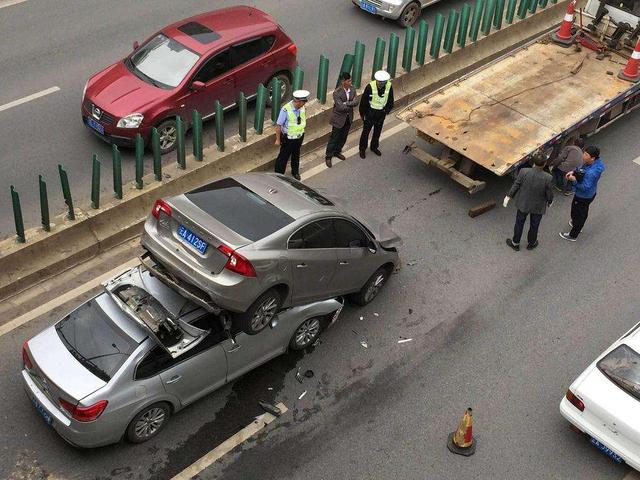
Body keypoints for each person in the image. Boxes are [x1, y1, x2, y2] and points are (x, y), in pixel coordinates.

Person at [503, 155, 554, 251]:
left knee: (519, 223)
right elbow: (549, 193)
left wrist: (508, 196)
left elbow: (516, 185)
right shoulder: (548, 177)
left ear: (533, 163)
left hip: (523, 203)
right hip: (538, 206)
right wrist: (550, 202)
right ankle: (532, 243)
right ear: (544, 164)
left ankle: (515, 243)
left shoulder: (524, 171)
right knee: (534, 225)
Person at [559, 145, 605, 241]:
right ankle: (577, 224)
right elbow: (582, 169)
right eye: (584, 153)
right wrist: (574, 172)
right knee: (583, 212)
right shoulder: (595, 163)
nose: (583, 156)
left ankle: (573, 234)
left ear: (592, 158)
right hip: (590, 194)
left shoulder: (591, 173)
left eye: (586, 154)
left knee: (578, 213)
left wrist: (573, 179)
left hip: (582, 196)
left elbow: (584, 187)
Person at [325, 72, 359, 168]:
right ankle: (328, 156)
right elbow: (340, 107)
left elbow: (356, 101)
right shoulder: (337, 92)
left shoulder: (352, 89)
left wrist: (346, 103)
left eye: (350, 80)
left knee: (343, 137)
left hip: (348, 118)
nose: (350, 82)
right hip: (338, 119)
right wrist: (350, 104)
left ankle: (337, 151)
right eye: (348, 81)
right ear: (343, 81)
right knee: (334, 137)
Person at [274, 90, 309, 180]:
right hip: (288, 139)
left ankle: (295, 172)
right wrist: (278, 139)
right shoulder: (285, 110)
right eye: (303, 102)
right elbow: (278, 125)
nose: (304, 104)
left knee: (296, 154)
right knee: (283, 157)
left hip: (299, 136)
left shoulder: (302, 108)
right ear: (298, 101)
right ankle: (279, 175)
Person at [358, 70, 394, 159]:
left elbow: (390, 100)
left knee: (377, 132)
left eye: (383, 83)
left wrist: (386, 111)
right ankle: (362, 149)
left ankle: (374, 147)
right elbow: (363, 103)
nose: (381, 84)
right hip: (370, 114)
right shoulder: (370, 87)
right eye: (379, 82)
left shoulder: (389, 86)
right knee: (365, 133)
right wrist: (363, 115)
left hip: (381, 114)